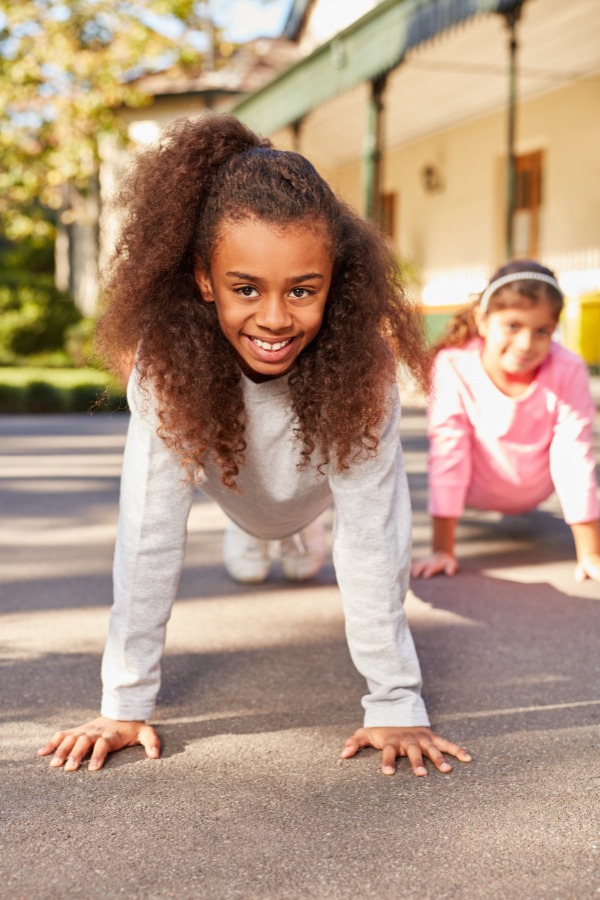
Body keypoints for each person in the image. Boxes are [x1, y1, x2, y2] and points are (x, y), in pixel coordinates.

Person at [38, 113, 471, 777]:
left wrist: (397, 703)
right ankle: (263, 535)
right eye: (245, 289)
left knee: (307, 543)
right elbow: (150, 530)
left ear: (336, 282)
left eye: (303, 290)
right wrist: (123, 702)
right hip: (234, 488)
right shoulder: (166, 367)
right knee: (252, 547)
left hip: (312, 488)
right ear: (205, 280)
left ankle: (298, 534)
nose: (274, 318)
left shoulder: (365, 370)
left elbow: (375, 538)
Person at [411, 259, 600, 581]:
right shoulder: (453, 364)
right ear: (483, 322)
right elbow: (448, 449)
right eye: (513, 326)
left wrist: (591, 554)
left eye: (542, 331)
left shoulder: (568, 368)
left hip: (537, 485)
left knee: (578, 458)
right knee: (447, 449)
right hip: (477, 486)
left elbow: (573, 456)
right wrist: (442, 549)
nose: (526, 344)